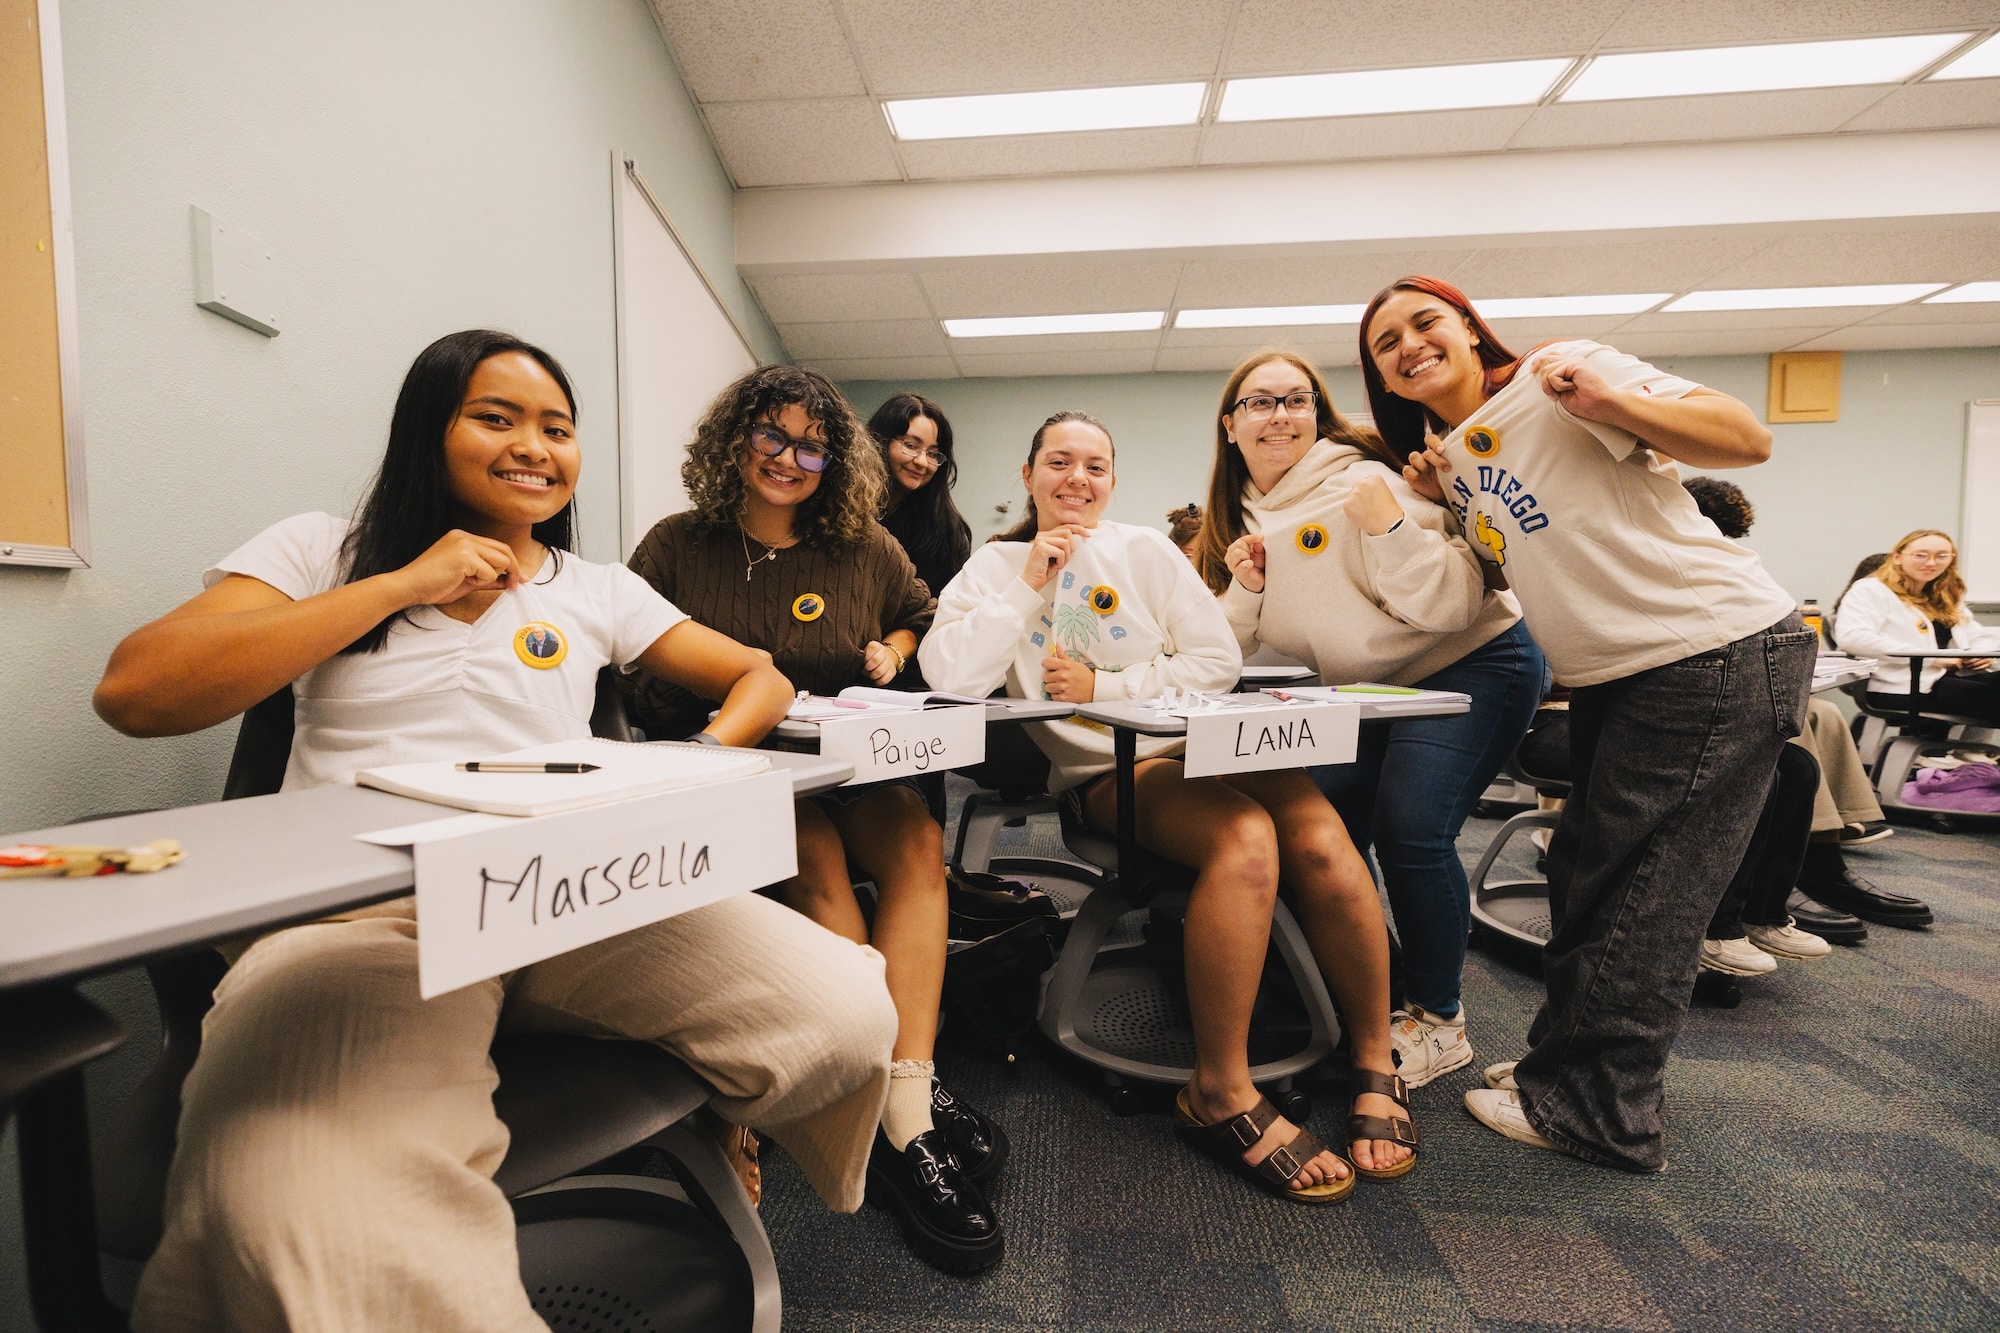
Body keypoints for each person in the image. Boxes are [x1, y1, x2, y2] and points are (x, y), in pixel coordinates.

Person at [92, 331, 898, 1333]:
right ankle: (429, 1132)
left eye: (557, 428)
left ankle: (673, 1113)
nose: (536, 446)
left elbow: (758, 675)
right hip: (369, 910)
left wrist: (695, 759)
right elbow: (136, 689)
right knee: (309, 1211)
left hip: (565, 891)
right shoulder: (322, 548)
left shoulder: (593, 585)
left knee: (846, 1015)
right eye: (497, 418)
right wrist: (399, 586)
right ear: (429, 432)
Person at [1362, 276, 1814, 1173]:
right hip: (1624, 672)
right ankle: (1558, 1066)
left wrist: (1609, 399)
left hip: (1704, 648)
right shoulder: (1453, 456)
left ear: (1468, 326)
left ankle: (1601, 1110)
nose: (1409, 345)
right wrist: (1441, 495)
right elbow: (1513, 565)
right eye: (1385, 342)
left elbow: (1746, 436)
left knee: (1646, 892)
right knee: (1583, 869)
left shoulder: (1558, 373)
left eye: (1425, 323)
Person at [921, 410, 1417, 1205]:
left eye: (1094, 465)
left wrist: (1110, 686)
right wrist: (1027, 587)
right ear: (1027, 476)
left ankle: (1374, 1057)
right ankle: (1218, 1089)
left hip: (1205, 747)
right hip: (1109, 772)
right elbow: (949, 678)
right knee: (1247, 838)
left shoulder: (1145, 550)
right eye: (1058, 462)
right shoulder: (993, 568)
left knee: (1321, 835)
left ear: (1112, 481)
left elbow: (1215, 660)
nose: (1076, 479)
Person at [619, 365, 1005, 1273]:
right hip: (735, 766)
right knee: (817, 861)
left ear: (836, 460)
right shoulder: (676, 545)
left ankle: (903, 1090)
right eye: (772, 436)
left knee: (915, 840)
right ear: (735, 437)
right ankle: (878, 1091)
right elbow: (631, 670)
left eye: (812, 445)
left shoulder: (862, 544)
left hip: (847, 757)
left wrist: (894, 646)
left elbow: (920, 612)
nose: (790, 459)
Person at [1199, 350, 1544, 1088]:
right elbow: (1222, 652)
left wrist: (1389, 526)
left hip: (1473, 660)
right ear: (1231, 427)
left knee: (1411, 827)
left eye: (1297, 399)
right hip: (1371, 690)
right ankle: (1365, 993)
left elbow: (1453, 604)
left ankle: (1438, 1018)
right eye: (1260, 402)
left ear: (1319, 415)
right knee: (1318, 828)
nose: (1280, 414)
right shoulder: (1247, 517)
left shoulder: (1367, 480)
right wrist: (1247, 586)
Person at [1836, 529, 2000, 725]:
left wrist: (1982, 655)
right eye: (1921, 555)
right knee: (1991, 697)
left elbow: (1976, 634)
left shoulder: (1944, 594)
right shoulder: (1870, 590)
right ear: (1897, 557)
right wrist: (1934, 659)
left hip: (1946, 679)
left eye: (1941, 556)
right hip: (1902, 686)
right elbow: (1853, 638)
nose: (1931, 563)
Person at [870, 391, 973, 604]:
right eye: (910, 445)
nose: (922, 462)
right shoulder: (840, 509)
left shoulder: (948, 534)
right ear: (880, 441)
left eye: (933, 453)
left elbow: (941, 611)